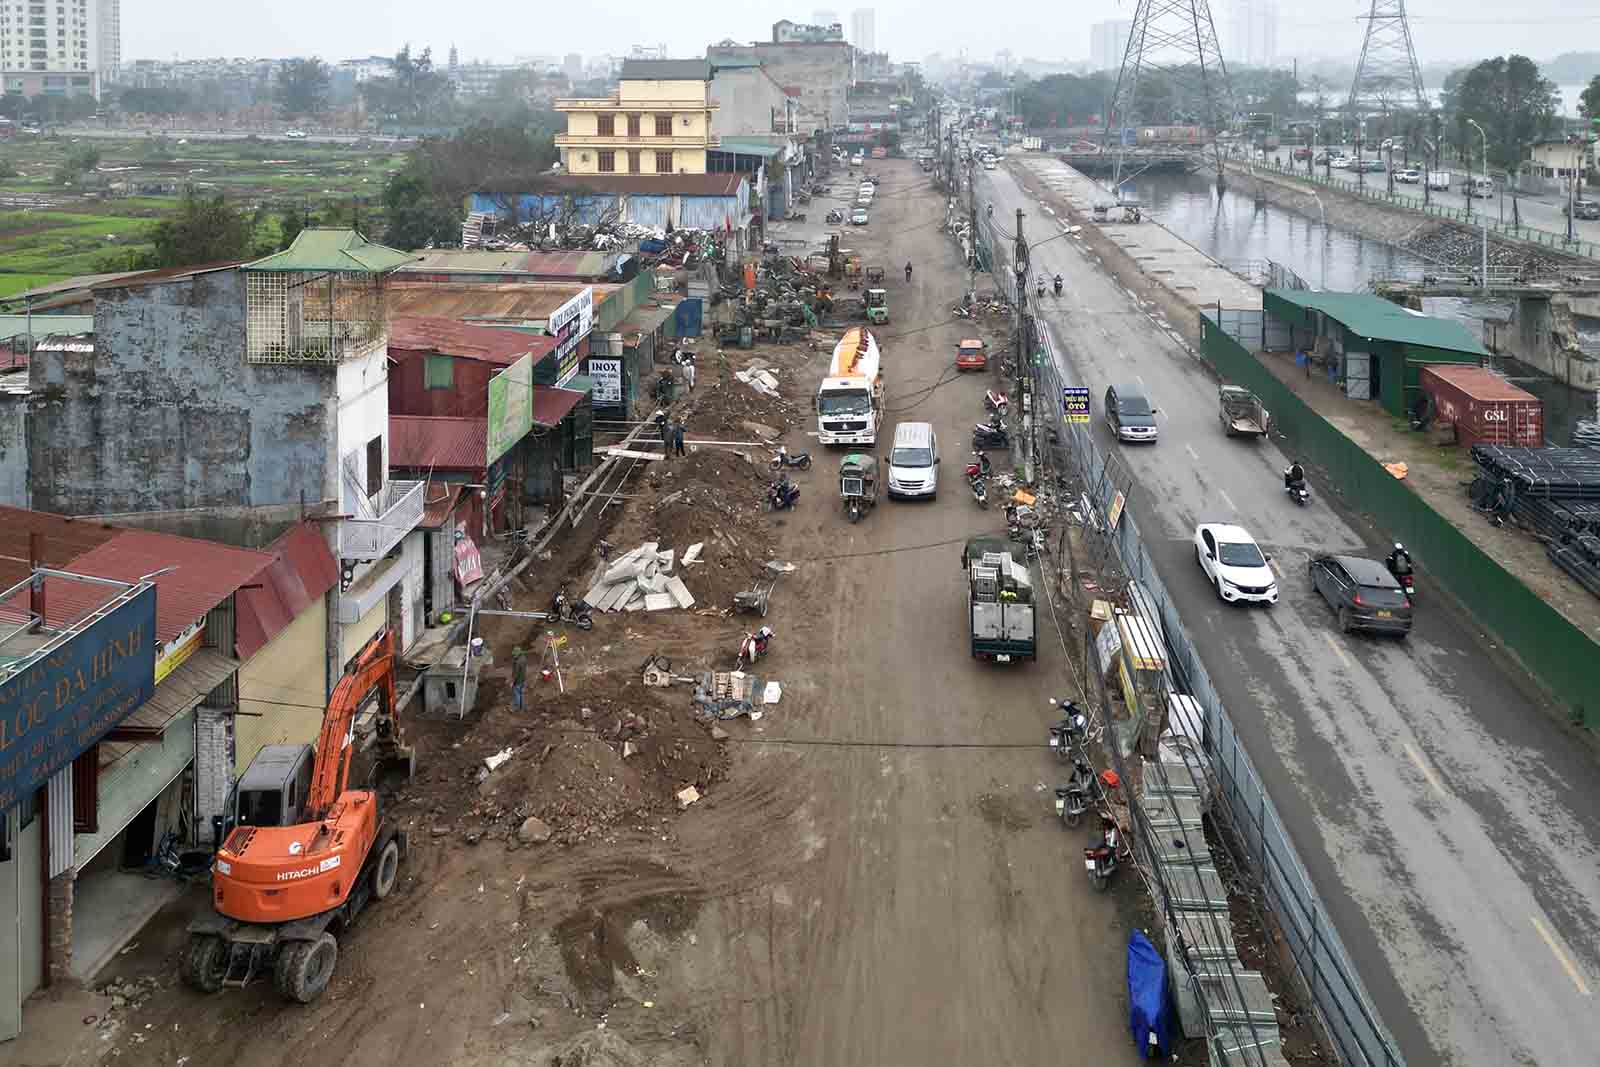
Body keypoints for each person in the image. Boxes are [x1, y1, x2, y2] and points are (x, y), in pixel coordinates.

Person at [510, 645, 528, 711]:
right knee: (521, 693)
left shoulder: (517, 662)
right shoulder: (524, 658)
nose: (514, 656)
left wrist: (512, 682)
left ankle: (517, 707)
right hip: (523, 679)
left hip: (518, 681)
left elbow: (515, 674)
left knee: (517, 693)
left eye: (514, 654)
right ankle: (522, 706)